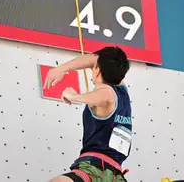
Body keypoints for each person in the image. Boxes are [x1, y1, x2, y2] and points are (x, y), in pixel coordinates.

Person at [44, 46, 132, 182]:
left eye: (94, 67)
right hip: (115, 174)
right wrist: (62, 68)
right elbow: (95, 59)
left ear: (97, 70)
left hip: (95, 170)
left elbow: (102, 96)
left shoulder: (107, 92)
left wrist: (73, 96)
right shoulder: (122, 88)